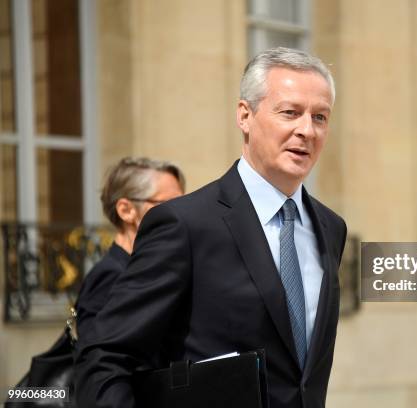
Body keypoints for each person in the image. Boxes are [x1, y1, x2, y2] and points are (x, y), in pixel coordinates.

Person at [75, 47, 347, 408]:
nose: (306, 130)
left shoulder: (330, 227)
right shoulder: (184, 224)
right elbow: (104, 357)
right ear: (244, 115)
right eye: (290, 113)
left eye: (320, 117)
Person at [76, 157, 185, 345]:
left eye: (183, 204)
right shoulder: (109, 276)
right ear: (126, 210)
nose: (182, 214)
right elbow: (96, 358)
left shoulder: (148, 267)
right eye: (169, 205)